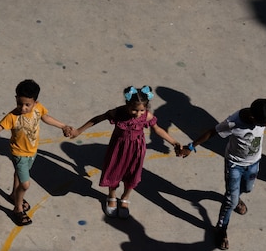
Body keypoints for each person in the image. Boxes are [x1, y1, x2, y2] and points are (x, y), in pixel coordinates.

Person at [181, 99, 266, 250]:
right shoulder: (234, 122)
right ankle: (221, 229)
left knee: (248, 189)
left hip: (253, 163)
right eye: (264, 123)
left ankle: (235, 198)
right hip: (235, 165)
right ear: (253, 118)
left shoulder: (261, 117)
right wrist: (191, 146)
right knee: (230, 201)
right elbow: (213, 131)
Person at [69, 86, 184, 218]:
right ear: (127, 104)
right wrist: (79, 130)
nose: (138, 113)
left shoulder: (146, 116)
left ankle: (125, 197)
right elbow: (97, 119)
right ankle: (111, 195)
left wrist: (174, 142)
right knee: (114, 170)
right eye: (135, 109)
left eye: (142, 110)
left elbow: (157, 129)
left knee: (133, 173)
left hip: (137, 149)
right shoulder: (118, 113)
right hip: (118, 148)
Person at [0, 79, 72, 225]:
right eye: (19, 103)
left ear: (36, 102)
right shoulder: (12, 117)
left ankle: (13, 195)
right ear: (16, 98)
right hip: (19, 154)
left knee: (19, 174)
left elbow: (46, 117)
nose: (23, 108)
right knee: (25, 185)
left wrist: (63, 126)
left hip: (32, 151)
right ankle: (18, 209)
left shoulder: (39, 108)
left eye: (27, 105)